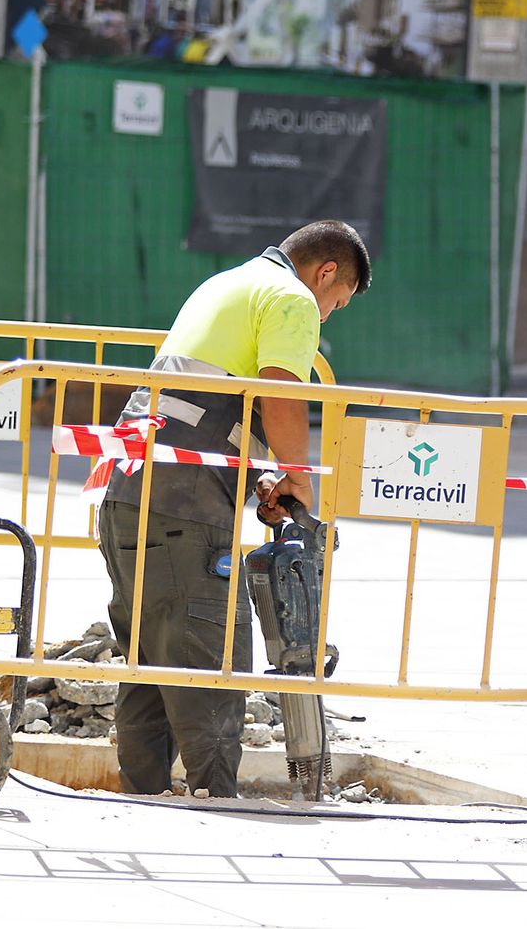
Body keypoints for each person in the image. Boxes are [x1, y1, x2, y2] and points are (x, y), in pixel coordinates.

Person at [97, 221, 371, 797]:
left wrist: (259, 474)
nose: (327, 316)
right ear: (325, 273)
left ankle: (143, 796)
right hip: (184, 507)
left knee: (148, 664)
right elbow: (282, 394)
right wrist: (299, 479)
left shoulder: (227, 283)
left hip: (127, 491)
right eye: (337, 303)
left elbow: (204, 404)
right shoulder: (292, 297)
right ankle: (215, 801)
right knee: (211, 661)